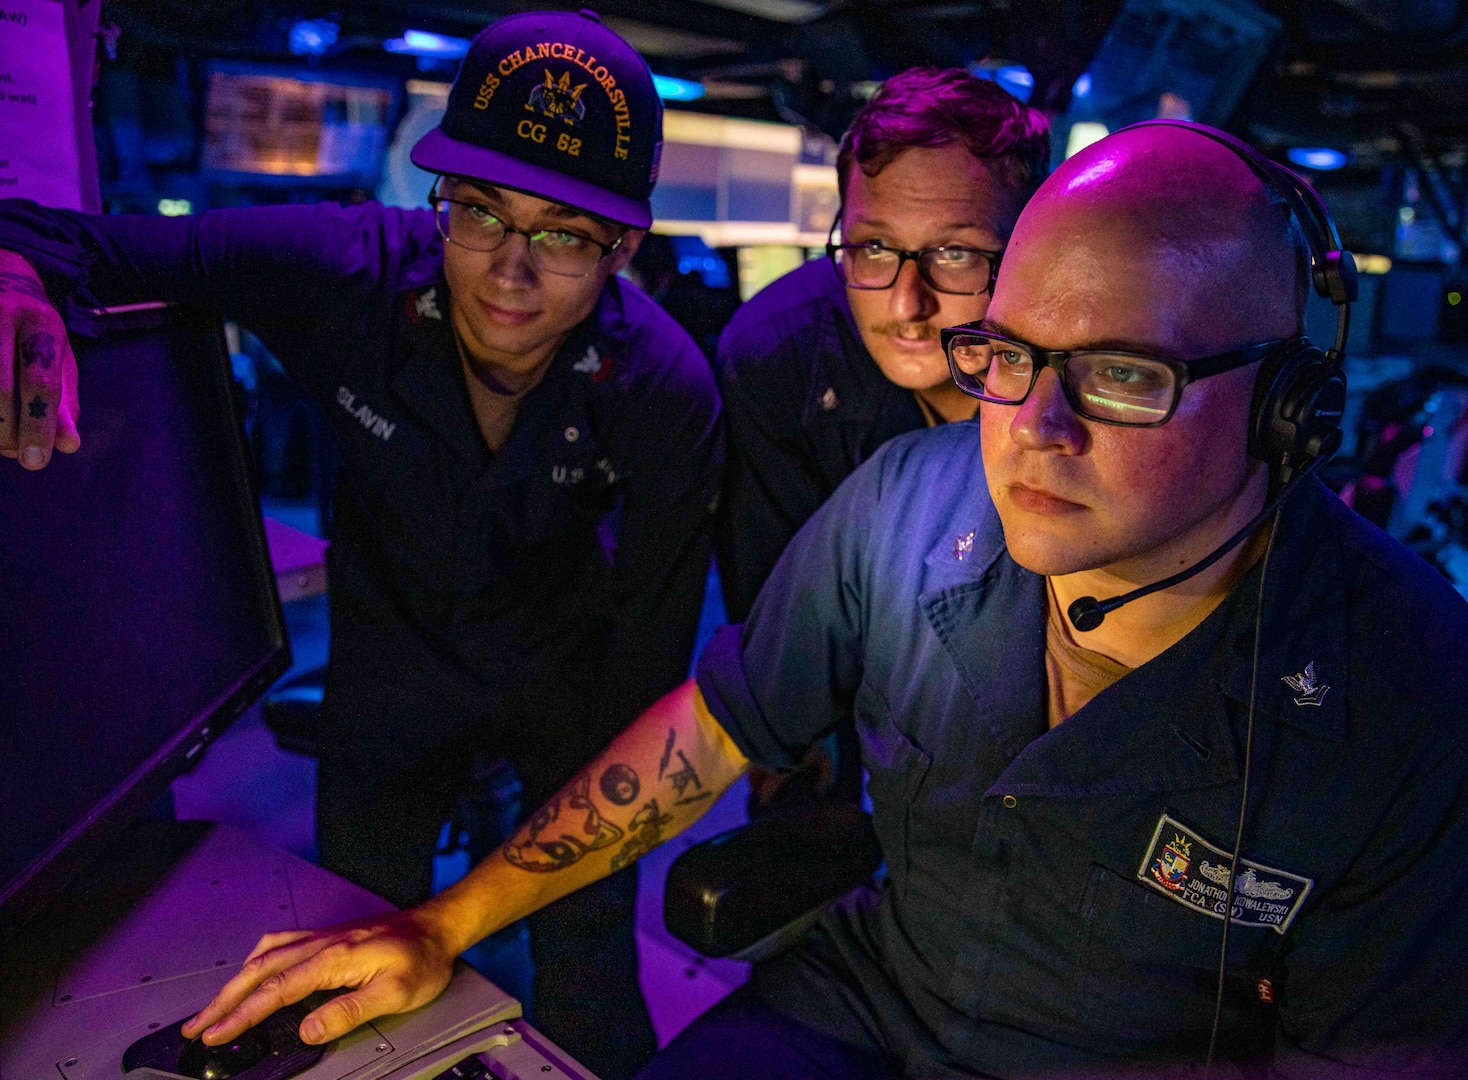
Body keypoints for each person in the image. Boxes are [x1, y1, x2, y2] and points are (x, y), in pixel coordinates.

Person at [184, 124, 1468, 1077]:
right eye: (1010, 356)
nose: (1033, 429)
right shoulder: (904, 501)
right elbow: (712, 731)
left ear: (1292, 411)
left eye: (1124, 375)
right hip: (859, 1008)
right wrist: (441, 923)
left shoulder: (1411, 692)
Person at [0, 11, 720, 1078]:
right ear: (441, 204)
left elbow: (655, 666)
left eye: (564, 235)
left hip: (573, 686)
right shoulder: (345, 268)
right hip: (390, 673)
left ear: (625, 247)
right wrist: (17, 288)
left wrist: (561, 849)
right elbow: (59, 236)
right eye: (479, 212)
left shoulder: (666, 391)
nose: (510, 275)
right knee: (346, 958)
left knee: (589, 976)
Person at [715, 67, 1048, 809]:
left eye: (956, 253)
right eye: (872, 248)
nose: (906, 304)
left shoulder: (1077, 373)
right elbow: (774, 622)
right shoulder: (777, 355)